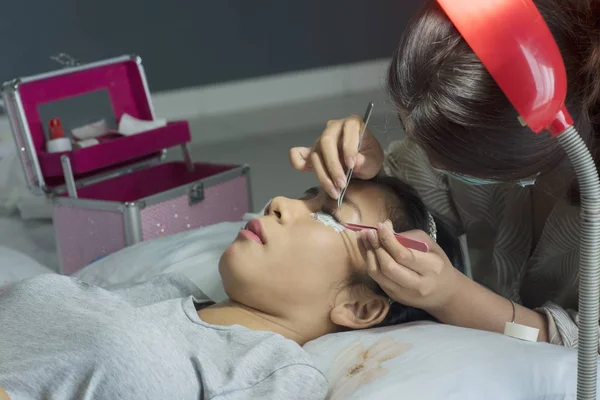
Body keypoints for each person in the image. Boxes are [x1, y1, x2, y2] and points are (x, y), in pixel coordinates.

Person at [290, 0, 600, 348]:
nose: (278, 204)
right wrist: (365, 170)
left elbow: (586, 351)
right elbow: (407, 199)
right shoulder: (493, 128)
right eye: (413, 137)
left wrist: (453, 298)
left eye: (444, 157)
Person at [0, 177, 464, 400]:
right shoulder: (168, 291)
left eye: (326, 214)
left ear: (359, 306)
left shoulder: (276, 375)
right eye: (303, 195)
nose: (279, 202)